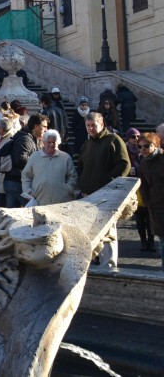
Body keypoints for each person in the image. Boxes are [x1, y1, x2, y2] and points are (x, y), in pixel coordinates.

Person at [76, 111, 131, 271]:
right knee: (90, 229)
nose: (91, 128)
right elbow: (81, 165)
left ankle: (109, 263)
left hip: (106, 195)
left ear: (101, 124)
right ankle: (94, 259)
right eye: (88, 126)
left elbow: (124, 164)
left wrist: (109, 183)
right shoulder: (87, 144)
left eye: (94, 125)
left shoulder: (113, 140)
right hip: (87, 194)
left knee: (107, 230)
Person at [21, 129, 78, 206]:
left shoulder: (65, 157)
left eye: (54, 142)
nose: (51, 144)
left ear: (58, 143)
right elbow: (26, 175)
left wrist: (68, 189)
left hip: (62, 201)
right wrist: (28, 190)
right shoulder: (35, 157)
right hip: (39, 201)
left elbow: (72, 176)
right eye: (49, 142)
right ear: (44, 143)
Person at [2, 114, 47, 208]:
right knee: (33, 208)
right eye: (44, 126)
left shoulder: (26, 137)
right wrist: (36, 166)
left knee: (13, 214)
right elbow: (20, 159)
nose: (46, 129)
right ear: (35, 126)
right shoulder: (26, 139)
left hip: (13, 180)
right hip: (17, 183)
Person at [136, 132, 164, 270]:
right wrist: (148, 203)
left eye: (146, 146)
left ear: (155, 145)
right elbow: (143, 186)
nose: (143, 149)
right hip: (156, 207)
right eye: (140, 147)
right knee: (162, 241)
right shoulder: (143, 164)